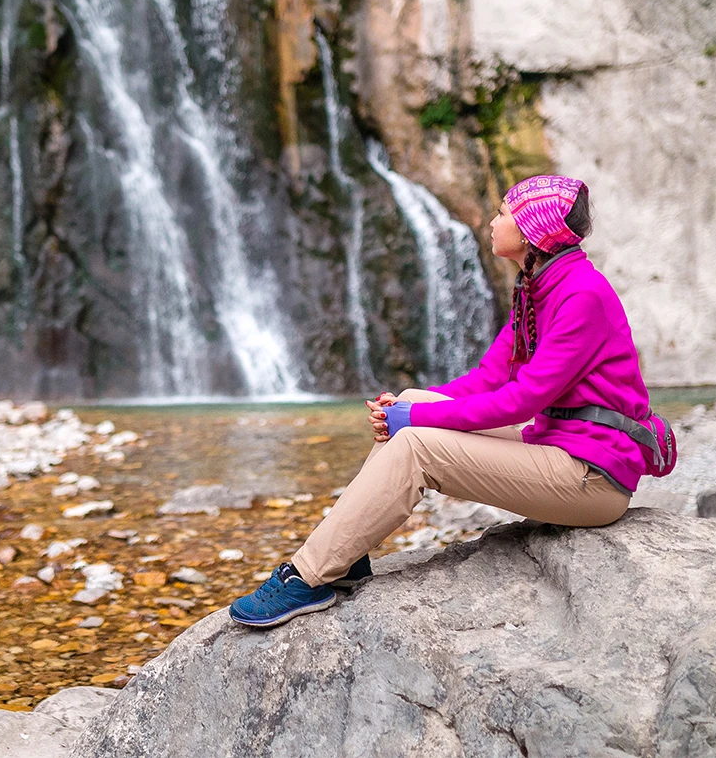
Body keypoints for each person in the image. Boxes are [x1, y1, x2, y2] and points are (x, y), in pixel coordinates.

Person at [230, 175, 652, 628]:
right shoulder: (538, 287)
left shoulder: (581, 295)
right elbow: (491, 377)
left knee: (416, 445)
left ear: (532, 230)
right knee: (411, 402)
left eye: (504, 213)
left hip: (591, 478)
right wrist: (406, 409)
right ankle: (346, 555)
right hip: (558, 443)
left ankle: (308, 576)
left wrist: (414, 420)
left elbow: (521, 400)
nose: (492, 222)